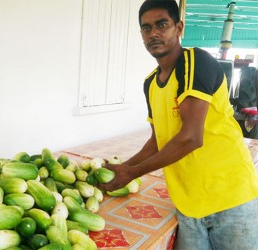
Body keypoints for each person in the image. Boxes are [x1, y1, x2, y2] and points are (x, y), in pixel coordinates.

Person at [98, 0, 258, 249]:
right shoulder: (150, 83)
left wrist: (132, 173)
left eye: (162, 24)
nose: (154, 33)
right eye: (146, 28)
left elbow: (192, 136)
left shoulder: (196, 62)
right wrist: (120, 169)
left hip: (229, 197)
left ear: (179, 27)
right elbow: (156, 141)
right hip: (187, 204)